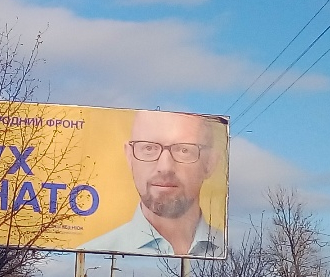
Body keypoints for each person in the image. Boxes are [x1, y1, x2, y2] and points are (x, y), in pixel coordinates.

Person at [81, 110, 225, 257]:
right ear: (129, 156)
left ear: (210, 163)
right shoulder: (93, 254)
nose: (165, 168)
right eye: (149, 148)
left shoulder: (233, 254)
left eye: (184, 150)